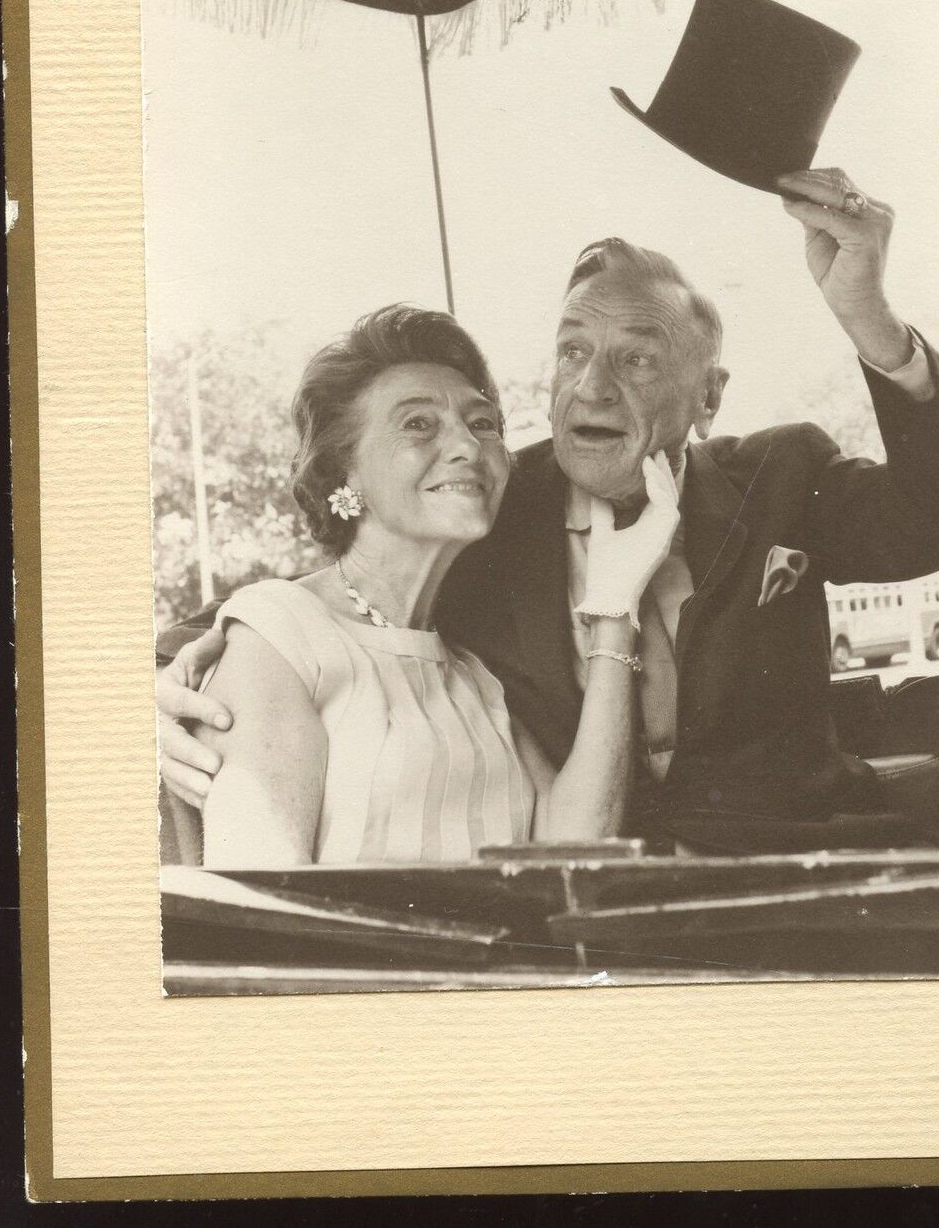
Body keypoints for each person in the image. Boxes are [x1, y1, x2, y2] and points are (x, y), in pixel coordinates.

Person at [159, 169, 939, 853]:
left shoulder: (779, 476)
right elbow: (301, 611)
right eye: (572, 352)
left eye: (636, 357)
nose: (592, 387)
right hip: (589, 916)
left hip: (802, 879)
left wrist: (869, 319)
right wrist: (152, 688)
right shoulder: (481, 507)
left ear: (709, 397)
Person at [164, 303, 679, 868]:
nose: (467, 446)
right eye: (418, 423)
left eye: (483, 424)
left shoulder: (474, 676)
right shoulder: (281, 636)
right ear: (344, 472)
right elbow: (254, 912)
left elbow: (579, 850)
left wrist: (613, 603)